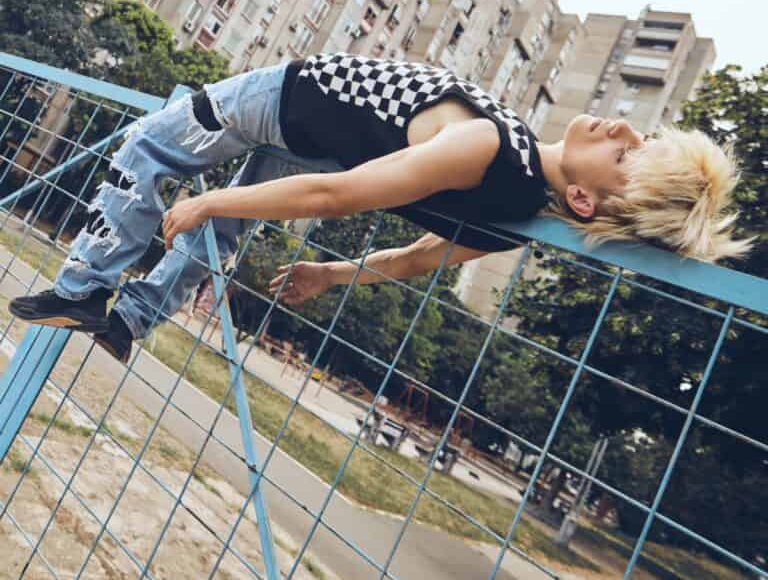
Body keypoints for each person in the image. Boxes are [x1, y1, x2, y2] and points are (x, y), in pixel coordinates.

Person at [8, 53, 749, 363]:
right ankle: (132, 320)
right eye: (639, 137)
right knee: (230, 221)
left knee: (149, 145)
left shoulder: (490, 145)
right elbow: (419, 258)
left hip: (292, 101)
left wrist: (212, 199)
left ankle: (81, 290)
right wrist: (331, 275)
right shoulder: (516, 215)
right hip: (317, 141)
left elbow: (335, 196)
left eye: (625, 156)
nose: (623, 129)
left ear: (583, 199)